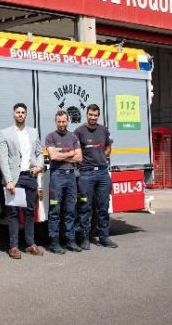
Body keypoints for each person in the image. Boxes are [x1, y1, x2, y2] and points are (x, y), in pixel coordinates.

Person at [0, 103, 45, 259]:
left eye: (23, 112)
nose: (20, 114)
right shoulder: (5, 134)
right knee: (14, 213)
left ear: (26, 114)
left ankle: (30, 244)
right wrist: (8, 180)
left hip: (30, 176)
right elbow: (3, 159)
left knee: (30, 212)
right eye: (18, 112)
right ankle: (14, 247)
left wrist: (39, 166)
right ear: (13, 114)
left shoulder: (33, 132)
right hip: (15, 179)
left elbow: (39, 153)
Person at [74, 104, 118, 250]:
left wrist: (104, 154)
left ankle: (104, 237)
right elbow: (75, 152)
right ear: (86, 114)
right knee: (85, 208)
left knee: (103, 207)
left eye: (95, 115)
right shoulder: (79, 132)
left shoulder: (103, 130)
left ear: (98, 115)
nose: (93, 117)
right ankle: (85, 239)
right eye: (90, 115)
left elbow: (109, 146)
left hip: (103, 174)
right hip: (86, 174)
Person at [45, 110, 83, 254]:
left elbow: (79, 158)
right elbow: (53, 156)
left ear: (68, 121)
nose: (61, 124)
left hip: (71, 176)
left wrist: (63, 156)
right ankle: (54, 242)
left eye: (64, 121)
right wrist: (71, 153)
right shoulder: (50, 137)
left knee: (70, 210)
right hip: (57, 176)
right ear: (56, 122)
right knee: (55, 210)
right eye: (59, 121)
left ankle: (70, 241)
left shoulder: (73, 136)